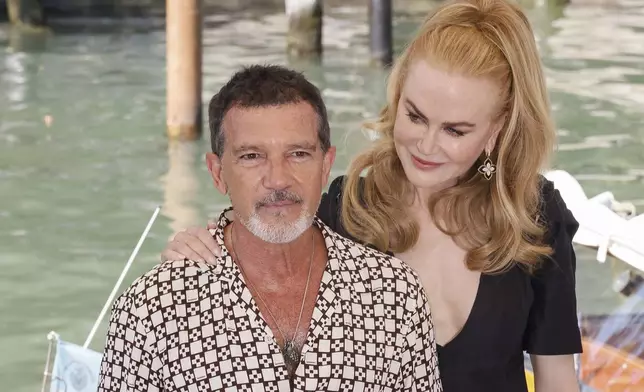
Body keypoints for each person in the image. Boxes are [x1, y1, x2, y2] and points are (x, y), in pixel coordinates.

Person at [160, 0, 584, 391]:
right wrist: (197, 248)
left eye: (455, 130)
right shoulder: (344, 210)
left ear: (497, 129)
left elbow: (556, 380)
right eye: (415, 116)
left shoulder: (537, 216)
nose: (426, 145)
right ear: (396, 97)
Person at [98, 65, 442, 392]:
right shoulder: (152, 311)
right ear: (218, 173)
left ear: (325, 166)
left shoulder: (395, 296)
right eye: (252, 156)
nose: (278, 179)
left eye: (298, 154)